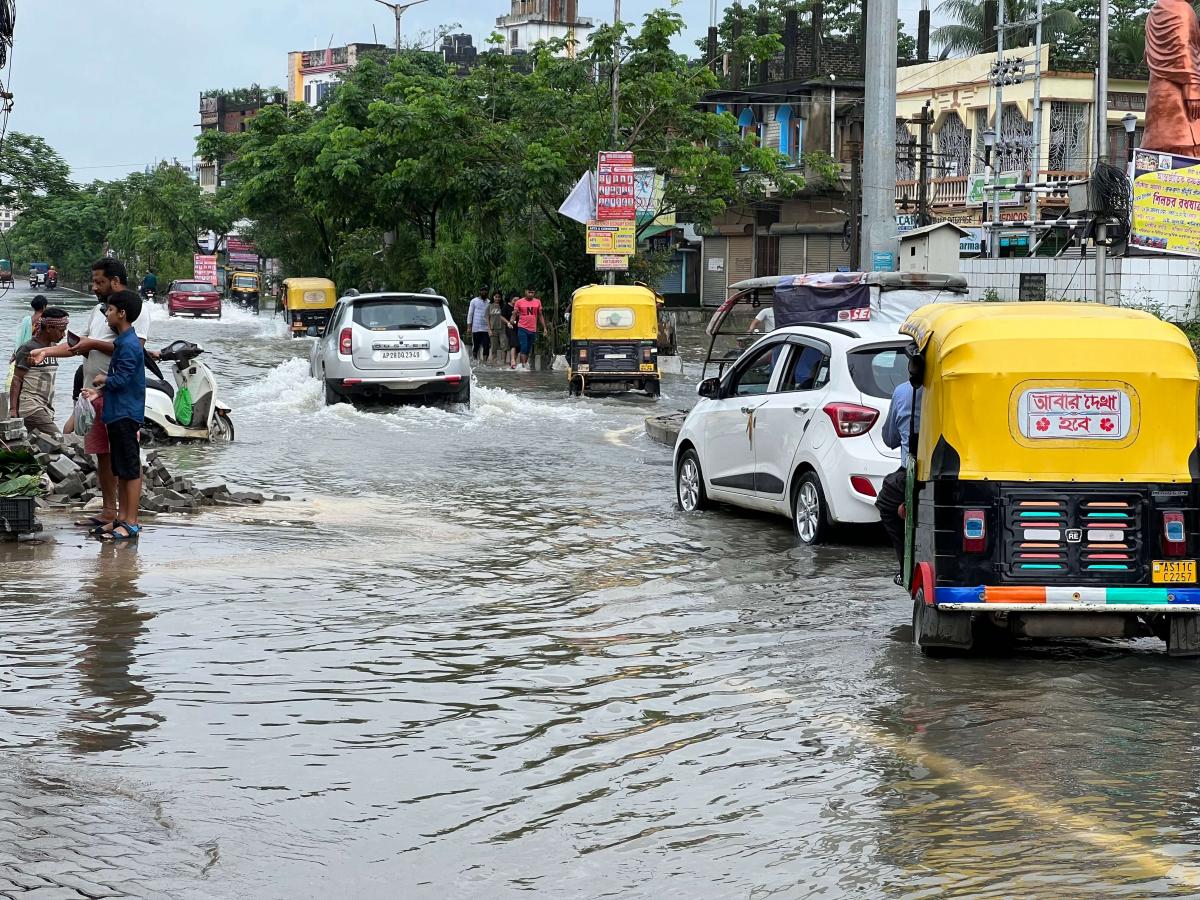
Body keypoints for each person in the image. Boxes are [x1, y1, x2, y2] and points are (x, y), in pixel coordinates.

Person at [32, 259, 150, 532]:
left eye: (99, 282)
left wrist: (94, 349)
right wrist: (46, 351)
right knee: (103, 454)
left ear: (116, 281)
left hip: (117, 397)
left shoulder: (133, 310)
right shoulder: (99, 312)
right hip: (94, 395)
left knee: (126, 460)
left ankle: (128, 519)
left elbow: (134, 352)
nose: (94, 287)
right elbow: (77, 344)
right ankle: (110, 513)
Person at [81, 289, 145, 541]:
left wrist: (104, 378)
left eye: (109, 310)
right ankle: (120, 518)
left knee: (130, 469)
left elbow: (125, 377)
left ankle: (131, 522)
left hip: (126, 414)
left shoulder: (129, 344)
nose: (106, 314)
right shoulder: (123, 341)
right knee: (120, 467)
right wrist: (99, 393)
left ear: (122, 313)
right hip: (116, 412)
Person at [877, 363, 922, 583]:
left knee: (885, 502)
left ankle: (906, 568)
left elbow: (890, 439)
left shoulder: (903, 392)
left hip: (913, 475)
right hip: (954, 474)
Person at [9, 307, 69, 439]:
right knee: (58, 439)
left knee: (42, 445)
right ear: (48, 328)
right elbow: (16, 379)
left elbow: (72, 349)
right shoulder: (28, 348)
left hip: (45, 407)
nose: (63, 335)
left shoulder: (53, 347)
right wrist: (13, 409)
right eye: (61, 330)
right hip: (31, 407)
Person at [513, 287, 547, 371]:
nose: (531, 294)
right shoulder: (519, 302)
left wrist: (544, 328)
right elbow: (514, 314)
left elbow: (540, 315)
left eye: (532, 292)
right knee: (523, 347)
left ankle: (523, 365)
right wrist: (511, 321)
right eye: (529, 292)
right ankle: (523, 366)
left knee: (528, 349)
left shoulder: (537, 302)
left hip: (532, 329)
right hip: (522, 327)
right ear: (525, 292)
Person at [466, 289, 491, 363]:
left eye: (485, 291)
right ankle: (475, 360)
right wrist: (469, 327)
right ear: (480, 292)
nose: (484, 292)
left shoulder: (489, 302)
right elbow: (470, 314)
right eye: (482, 291)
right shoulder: (474, 301)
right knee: (476, 345)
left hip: (486, 328)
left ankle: (485, 362)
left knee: (486, 345)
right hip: (476, 328)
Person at [502, 294, 519, 369]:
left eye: (518, 300)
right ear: (511, 300)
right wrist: (508, 322)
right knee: (513, 343)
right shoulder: (506, 306)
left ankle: (513, 362)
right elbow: (501, 316)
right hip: (510, 327)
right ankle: (512, 360)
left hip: (519, 327)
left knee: (518, 345)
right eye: (514, 300)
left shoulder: (520, 307)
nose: (516, 302)